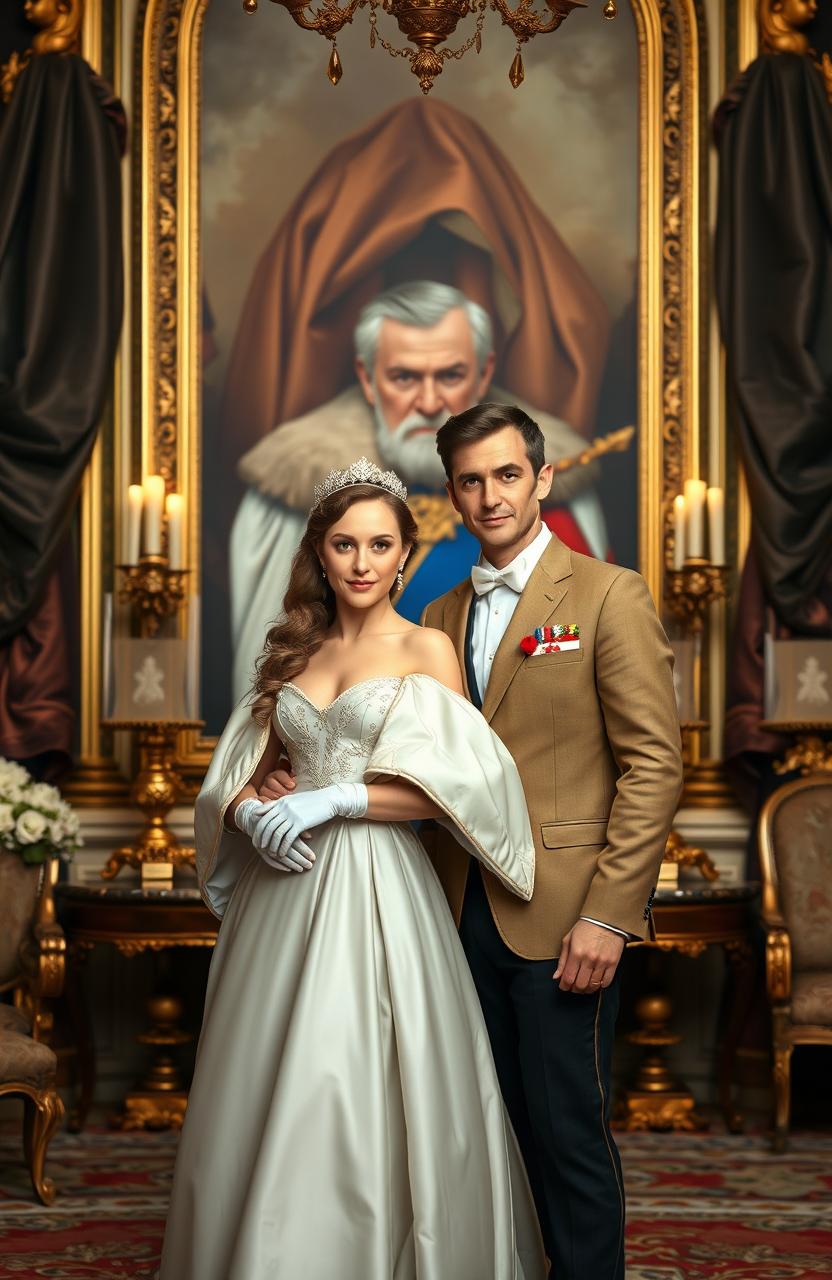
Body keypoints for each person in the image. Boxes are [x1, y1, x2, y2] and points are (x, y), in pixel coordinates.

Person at [159, 458, 547, 1280]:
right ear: (321, 553)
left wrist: (335, 801)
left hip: (378, 887)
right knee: (263, 1075)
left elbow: (456, 792)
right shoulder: (293, 654)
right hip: (283, 892)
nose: (363, 562)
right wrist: (255, 812)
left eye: (380, 545)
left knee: (357, 1070)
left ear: (406, 554)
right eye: (345, 544)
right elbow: (240, 772)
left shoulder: (426, 648)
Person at [418, 403, 684, 1280]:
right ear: (452, 493)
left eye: (505, 474)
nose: (490, 495)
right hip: (459, 916)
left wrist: (609, 917)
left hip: (566, 919)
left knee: (567, 1133)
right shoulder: (441, 611)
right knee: (490, 1135)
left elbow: (654, 767)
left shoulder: (610, 594)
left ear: (542, 478)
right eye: (470, 480)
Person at [229, 279, 611, 703]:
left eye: (450, 375)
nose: (429, 402)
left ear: (484, 374)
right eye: (404, 377)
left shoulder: (557, 503)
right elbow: (268, 684)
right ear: (367, 379)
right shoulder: (288, 495)